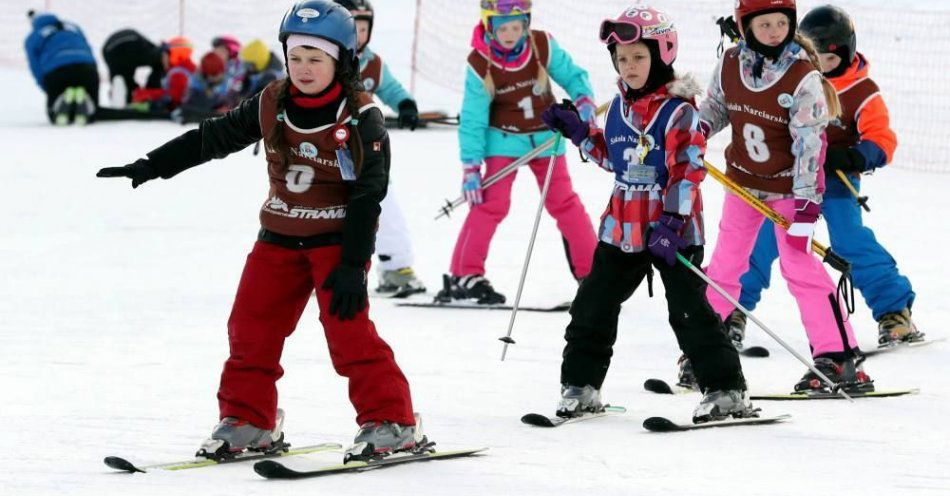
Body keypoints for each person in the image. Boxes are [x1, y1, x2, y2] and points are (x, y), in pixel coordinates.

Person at [96, 0, 420, 461]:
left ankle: (392, 421)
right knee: (250, 330)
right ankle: (249, 421)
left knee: (349, 335)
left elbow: (369, 195)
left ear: (341, 62)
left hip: (336, 243)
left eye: (316, 59)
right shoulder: (273, 101)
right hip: (279, 239)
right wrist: (153, 165)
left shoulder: (361, 116)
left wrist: (352, 265)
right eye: (295, 57)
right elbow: (214, 137)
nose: (303, 69)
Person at [542, 5, 752, 423]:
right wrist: (580, 132)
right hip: (622, 227)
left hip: (671, 231)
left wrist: (672, 223)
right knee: (592, 305)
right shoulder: (617, 109)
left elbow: (688, 169)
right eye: (622, 59)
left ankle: (726, 390)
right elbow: (614, 159)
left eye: (638, 56)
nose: (630, 66)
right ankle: (581, 386)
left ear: (662, 53)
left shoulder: (679, 110)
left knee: (690, 313)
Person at [698, 0, 872, 392]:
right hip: (742, 183)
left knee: (799, 267)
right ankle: (707, 350)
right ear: (746, 27)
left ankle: (839, 357)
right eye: (765, 24)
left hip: (789, 190)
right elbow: (715, 107)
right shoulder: (730, 64)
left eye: (782, 23)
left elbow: (811, 145)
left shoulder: (802, 77)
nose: (775, 31)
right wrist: (691, 133)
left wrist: (808, 207)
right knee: (725, 263)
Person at [730, 4, 921, 350]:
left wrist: (850, 156)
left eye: (829, 60)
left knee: (850, 241)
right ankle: (732, 310)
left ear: (844, 54)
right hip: (787, 183)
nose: (822, 67)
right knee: (761, 242)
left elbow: (882, 139)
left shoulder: (861, 91)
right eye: (814, 56)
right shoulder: (793, 75)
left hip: (834, 183)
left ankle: (894, 312)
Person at [437, 0, 598, 304]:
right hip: (503, 140)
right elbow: (473, 119)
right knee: (491, 204)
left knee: (564, 203)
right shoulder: (480, 62)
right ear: (489, 26)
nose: (510, 34)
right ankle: (464, 275)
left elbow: (573, 75)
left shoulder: (540, 45)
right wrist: (470, 167)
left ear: (525, 25)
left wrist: (584, 98)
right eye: (502, 28)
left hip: (547, 139)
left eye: (515, 27)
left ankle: (592, 275)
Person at [333, 0, 426, 296]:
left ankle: (395, 267)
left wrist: (406, 105)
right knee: (326, 209)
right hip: (327, 151)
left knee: (385, 206)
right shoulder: (323, 59)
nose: (359, 35)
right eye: (353, 28)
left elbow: (391, 89)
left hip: (368, 150)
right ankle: (318, 268)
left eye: (363, 29)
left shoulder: (372, 63)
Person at [24, 10, 98, 125]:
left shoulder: (34, 36)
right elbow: (88, 50)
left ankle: (61, 100)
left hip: (57, 71)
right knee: (93, 113)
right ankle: (85, 100)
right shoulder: (73, 27)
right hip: (87, 69)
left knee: (54, 117)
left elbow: (35, 67)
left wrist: (47, 87)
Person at [130, 36, 195, 112]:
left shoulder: (178, 73)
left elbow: (175, 97)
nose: (162, 59)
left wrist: (146, 94)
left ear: (175, 55)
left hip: (177, 111)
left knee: (139, 107)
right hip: (180, 108)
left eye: (164, 56)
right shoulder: (185, 70)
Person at [102, 29, 164, 106]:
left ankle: (125, 98)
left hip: (108, 49)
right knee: (159, 63)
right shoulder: (151, 51)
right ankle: (149, 93)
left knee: (121, 81)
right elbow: (160, 59)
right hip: (133, 42)